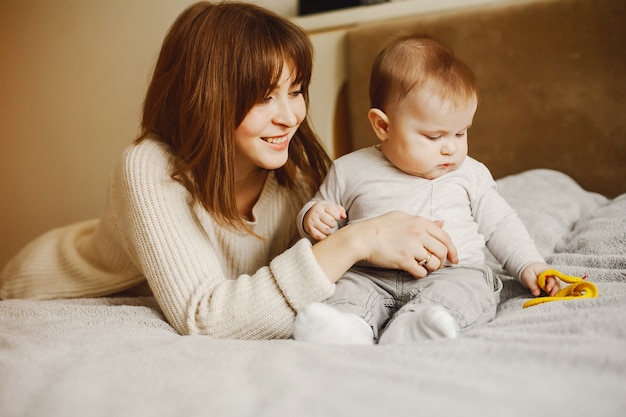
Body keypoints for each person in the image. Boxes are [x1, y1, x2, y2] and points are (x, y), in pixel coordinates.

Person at [0, 3, 458, 340]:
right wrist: (358, 239)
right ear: (206, 98)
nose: (289, 116)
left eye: (295, 91)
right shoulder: (149, 167)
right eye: (263, 97)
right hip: (41, 286)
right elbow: (205, 315)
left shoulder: (297, 181)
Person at [293, 34, 560, 345]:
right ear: (383, 126)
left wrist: (530, 264)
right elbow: (324, 219)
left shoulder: (470, 173)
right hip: (371, 275)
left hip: (451, 272)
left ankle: (419, 327)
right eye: (434, 137)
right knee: (347, 289)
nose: (451, 148)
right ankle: (347, 327)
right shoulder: (349, 169)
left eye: (461, 133)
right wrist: (314, 215)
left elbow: (500, 223)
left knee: (468, 291)